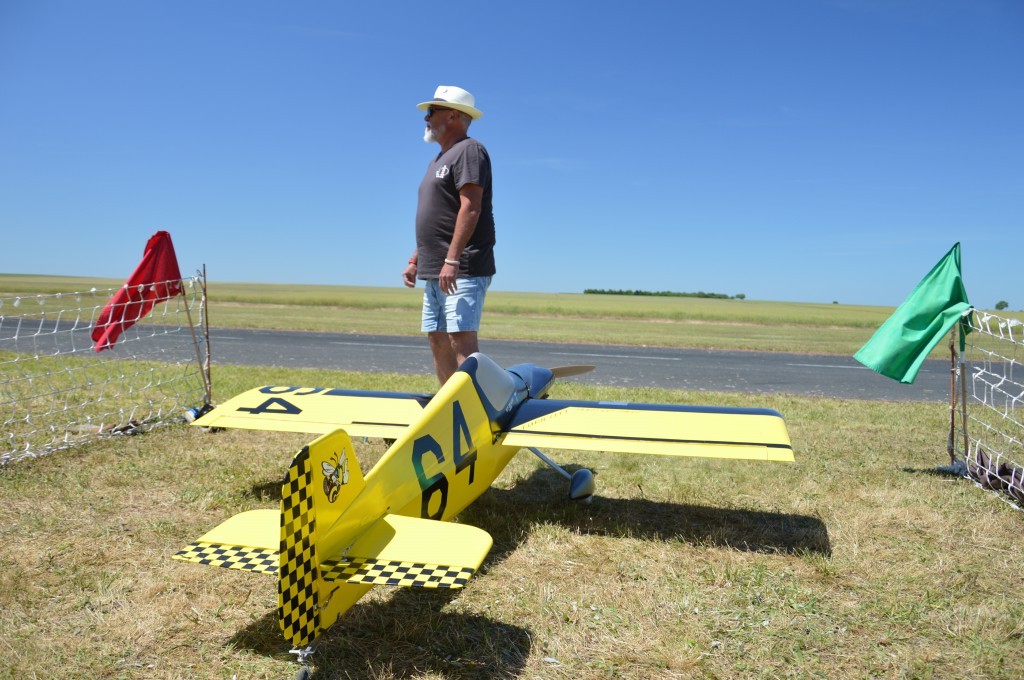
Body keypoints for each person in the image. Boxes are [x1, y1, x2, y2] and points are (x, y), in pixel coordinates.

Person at [403, 85, 496, 385]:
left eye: (432, 111)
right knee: (437, 338)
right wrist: (416, 259)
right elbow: (437, 216)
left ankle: (474, 415)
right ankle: (450, 409)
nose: (426, 118)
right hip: (435, 269)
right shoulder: (437, 160)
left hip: (462, 267)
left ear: (454, 115)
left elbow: (470, 207)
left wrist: (452, 260)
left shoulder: (470, 150)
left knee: (460, 338)